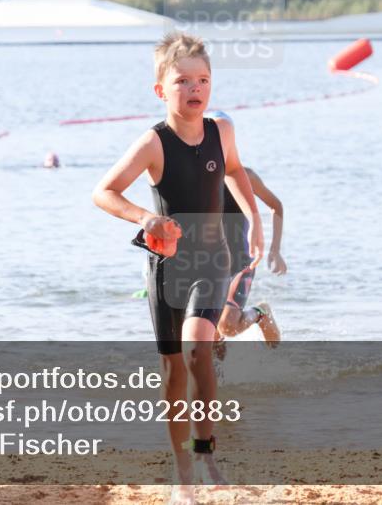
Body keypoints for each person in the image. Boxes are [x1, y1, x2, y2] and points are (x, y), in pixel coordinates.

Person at [93, 33, 263, 505]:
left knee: (196, 349)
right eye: (183, 80)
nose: (195, 88)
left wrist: (254, 220)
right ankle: (182, 472)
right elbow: (103, 192)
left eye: (203, 79)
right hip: (166, 268)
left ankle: (206, 451)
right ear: (161, 90)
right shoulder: (153, 143)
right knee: (172, 373)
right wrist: (146, 218)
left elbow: (234, 169)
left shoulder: (220, 132)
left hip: (212, 259)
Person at [205, 111, 285, 349]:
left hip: (240, 261)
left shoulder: (245, 176)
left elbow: (276, 205)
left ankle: (260, 313)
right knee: (208, 332)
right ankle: (219, 381)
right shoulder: (195, 178)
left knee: (227, 326)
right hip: (206, 263)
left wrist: (275, 250)